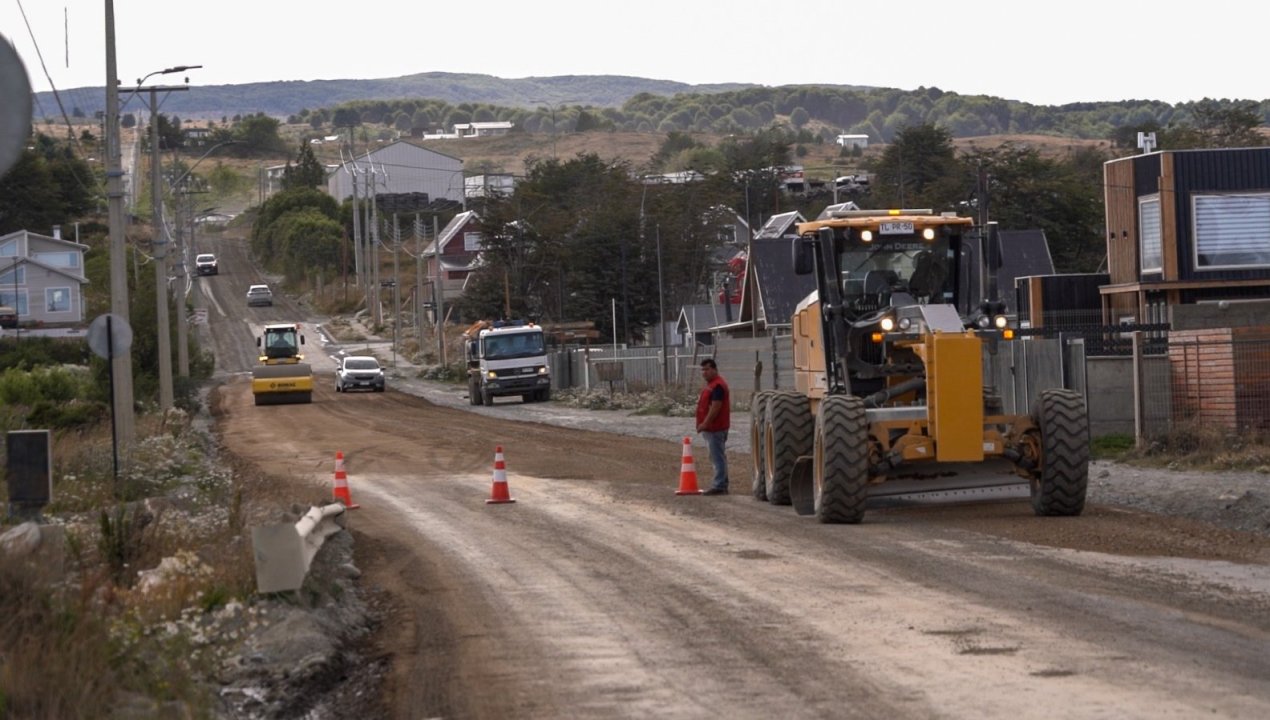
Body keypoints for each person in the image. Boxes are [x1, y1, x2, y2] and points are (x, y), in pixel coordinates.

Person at [695, 358, 731, 495]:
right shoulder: (712, 385)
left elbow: (716, 407)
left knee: (717, 457)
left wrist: (705, 424)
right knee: (718, 456)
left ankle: (719, 485)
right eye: (702, 370)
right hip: (713, 428)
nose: (704, 372)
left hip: (715, 428)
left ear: (715, 370)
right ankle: (722, 483)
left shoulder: (717, 386)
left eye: (707, 369)